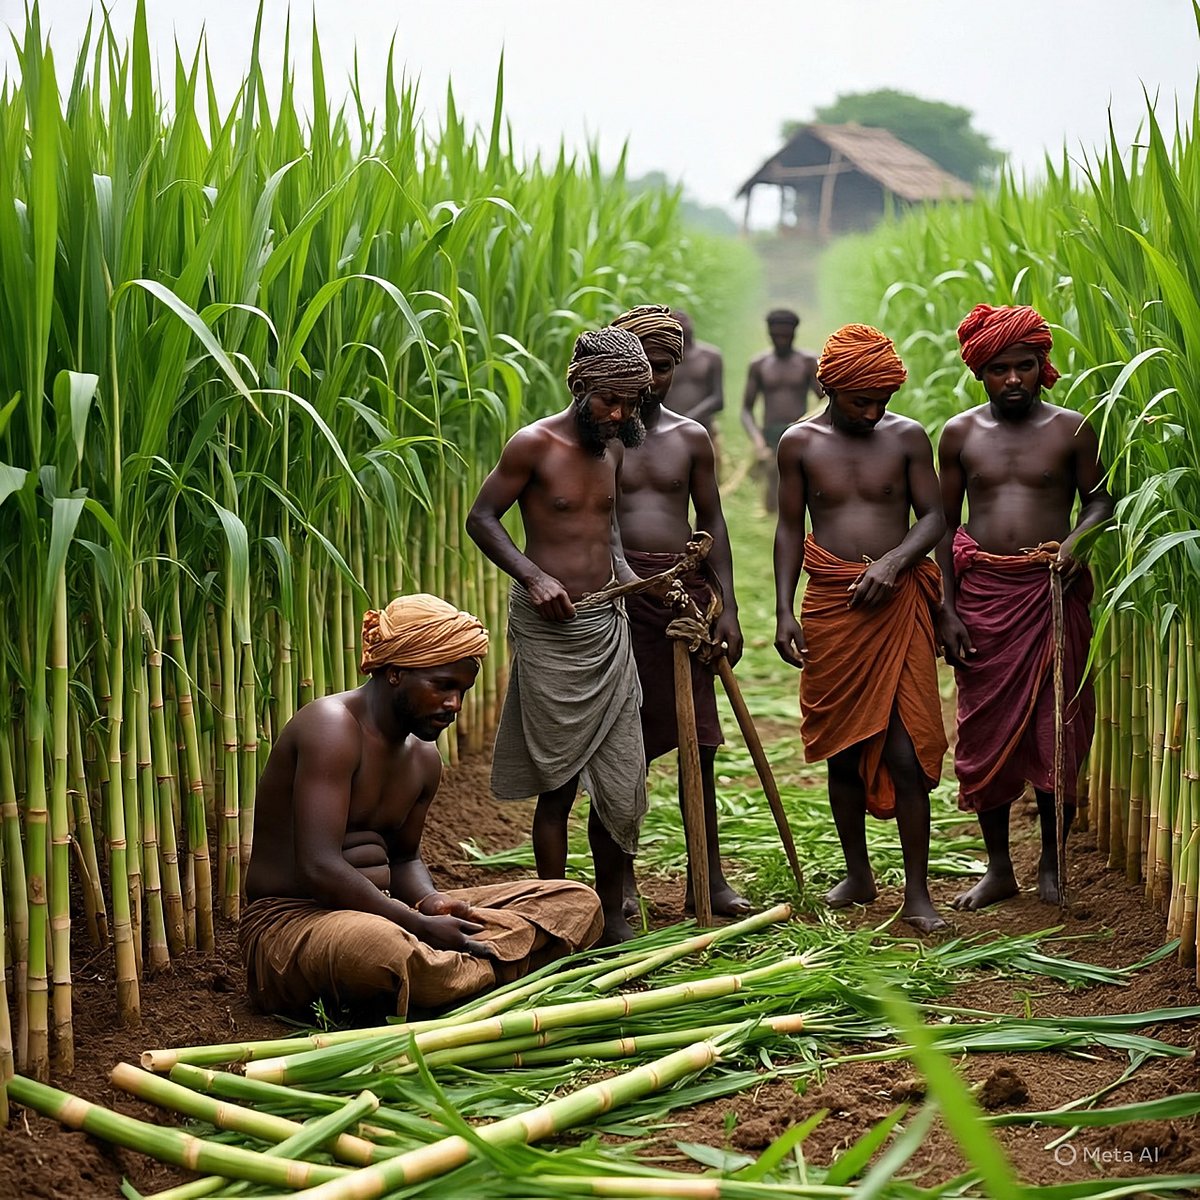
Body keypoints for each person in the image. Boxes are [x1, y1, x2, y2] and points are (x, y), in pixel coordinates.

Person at [240, 594, 603, 1019]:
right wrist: (418, 926)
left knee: (574, 901)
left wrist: (432, 904)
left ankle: (446, 975)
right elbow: (319, 866)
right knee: (381, 950)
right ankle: (481, 970)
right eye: (443, 686)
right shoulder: (332, 727)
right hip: (294, 926)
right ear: (395, 673)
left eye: (462, 691)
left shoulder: (423, 757)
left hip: (391, 913)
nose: (454, 705)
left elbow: (405, 857)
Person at [467, 327, 651, 944]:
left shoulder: (615, 448)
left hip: (607, 622)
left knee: (623, 782)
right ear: (579, 387)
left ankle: (611, 907)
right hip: (552, 631)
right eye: (609, 401)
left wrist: (626, 575)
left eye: (632, 403)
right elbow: (481, 517)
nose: (621, 414)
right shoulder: (533, 445)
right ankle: (557, 912)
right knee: (559, 782)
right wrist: (534, 575)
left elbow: (610, 525)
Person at [773, 324, 948, 932]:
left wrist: (896, 563)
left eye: (883, 401)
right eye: (860, 401)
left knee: (905, 754)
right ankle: (858, 873)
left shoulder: (905, 438)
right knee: (842, 752)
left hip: (896, 607)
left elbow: (934, 516)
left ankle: (918, 894)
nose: (874, 412)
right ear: (827, 388)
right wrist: (782, 609)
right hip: (832, 606)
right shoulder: (798, 443)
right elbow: (791, 528)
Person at [938, 304, 1112, 910]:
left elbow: (1098, 503)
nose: (1012, 378)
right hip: (985, 597)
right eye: (998, 369)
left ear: (1043, 367)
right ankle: (999, 868)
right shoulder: (959, 434)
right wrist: (948, 608)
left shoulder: (1071, 429)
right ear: (979, 373)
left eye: (1025, 366)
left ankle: (1053, 865)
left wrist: (1074, 543)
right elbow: (943, 523)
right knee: (982, 733)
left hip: (1050, 596)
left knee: (1056, 729)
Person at [610, 304, 750, 918]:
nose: (651, 379)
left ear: (677, 368)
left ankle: (709, 879)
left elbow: (711, 519)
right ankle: (620, 885)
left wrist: (729, 608)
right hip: (617, 605)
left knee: (701, 742)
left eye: (663, 367)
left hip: (679, 601)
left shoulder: (689, 438)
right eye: (641, 365)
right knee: (621, 747)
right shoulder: (597, 438)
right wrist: (623, 582)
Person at [742, 309, 822, 512]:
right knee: (773, 493)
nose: (781, 341)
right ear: (768, 333)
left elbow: (825, 399)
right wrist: (758, 441)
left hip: (800, 431)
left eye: (786, 336)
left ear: (795, 333)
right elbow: (746, 410)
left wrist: (811, 424)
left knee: (801, 485)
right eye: (776, 336)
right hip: (770, 434)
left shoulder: (807, 362)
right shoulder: (760, 364)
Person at [667, 309, 725, 470]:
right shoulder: (665, 360)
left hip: (703, 430)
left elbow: (718, 399)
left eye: (684, 318)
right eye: (675, 320)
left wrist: (689, 419)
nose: (681, 322)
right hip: (669, 433)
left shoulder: (711, 356)